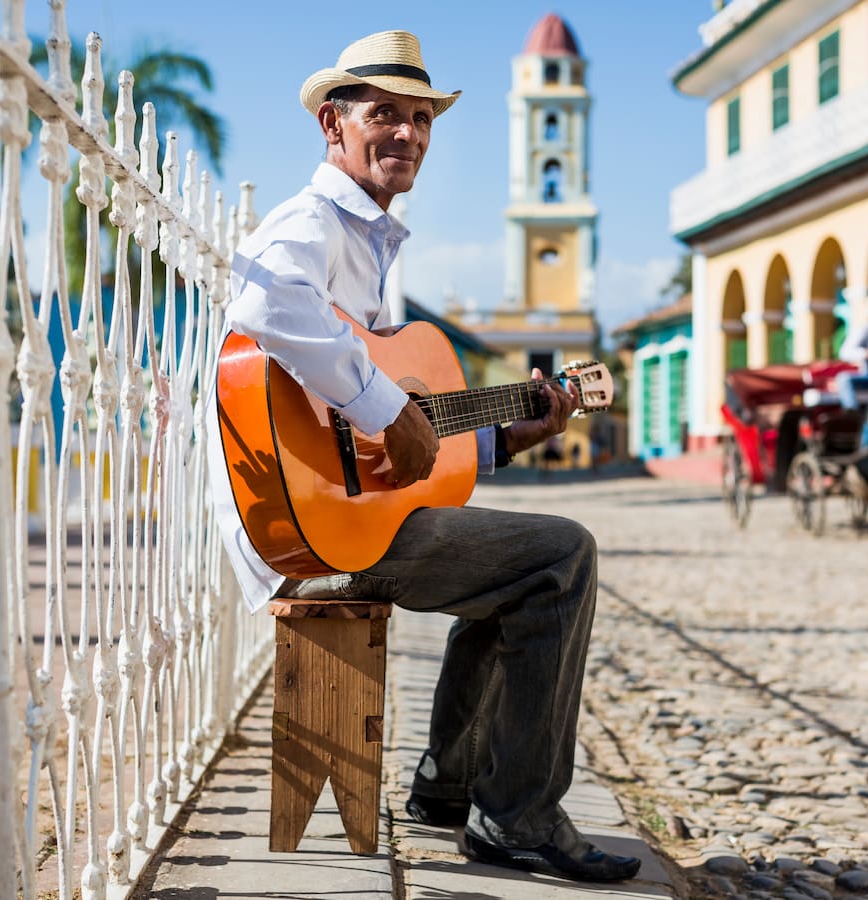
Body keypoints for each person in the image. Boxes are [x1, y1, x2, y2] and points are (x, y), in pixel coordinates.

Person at [205, 30, 641, 884]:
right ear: (334, 124)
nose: (405, 134)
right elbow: (263, 301)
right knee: (561, 557)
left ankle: (451, 784)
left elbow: (406, 435)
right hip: (301, 528)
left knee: (512, 562)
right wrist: (378, 404)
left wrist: (504, 435)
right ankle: (516, 818)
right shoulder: (312, 222)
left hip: (337, 515)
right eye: (383, 115)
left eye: (419, 118)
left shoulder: (372, 242)